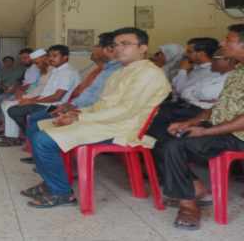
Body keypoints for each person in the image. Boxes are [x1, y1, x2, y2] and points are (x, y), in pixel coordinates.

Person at [26, 27, 171, 209]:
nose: (119, 48)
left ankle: (61, 193)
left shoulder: (149, 73)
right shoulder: (119, 72)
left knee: (43, 140)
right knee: (37, 127)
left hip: (121, 128)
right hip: (103, 122)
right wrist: (77, 113)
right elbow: (101, 105)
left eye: (125, 44)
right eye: (116, 45)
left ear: (143, 48)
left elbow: (125, 111)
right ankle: (50, 182)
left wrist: (79, 120)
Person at [156, 24, 244, 230]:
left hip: (239, 135)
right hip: (222, 126)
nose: (222, 43)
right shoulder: (238, 71)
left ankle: (188, 207)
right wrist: (191, 122)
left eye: (228, 40)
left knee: (176, 146)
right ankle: (194, 189)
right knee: (164, 137)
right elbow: (219, 106)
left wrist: (204, 131)